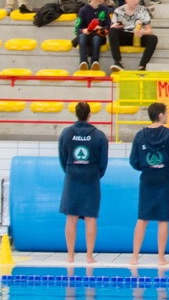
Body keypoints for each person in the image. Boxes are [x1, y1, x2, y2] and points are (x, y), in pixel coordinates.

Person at [128, 102, 169, 266]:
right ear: (160, 115)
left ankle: (134, 256)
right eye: (166, 113)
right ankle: (160, 257)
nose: (167, 115)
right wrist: (166, 166)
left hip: (147, 179)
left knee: (142, 218)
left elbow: (134, 161)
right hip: (165, 178)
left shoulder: (140, 135)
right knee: (163, 219)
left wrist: (147, 167)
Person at [58, 101, 108, 264]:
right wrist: (93, 174)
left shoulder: (66, 133)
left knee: (71, 217)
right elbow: (103, 162)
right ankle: (89, 256)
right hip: (91, 178)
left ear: (76, 114)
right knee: (90, 218)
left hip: (72, 177)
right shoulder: (99, 135)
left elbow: (62, 159)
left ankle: (70, 255)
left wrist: (72, 170)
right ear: (89, 115)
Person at [108, 0, 158, 72]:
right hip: (123, 35)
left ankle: (142, 66)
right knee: (112, 31)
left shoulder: (143, 10)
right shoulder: (118, 11)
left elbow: (149, 30)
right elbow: (112, 27)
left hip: (137, 36)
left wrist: (143, 32)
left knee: (153, 38)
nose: (136, 1)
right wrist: (115, 26)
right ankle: (118, 62)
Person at [75, 0, 111, 71]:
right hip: (86, 36)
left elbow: (108, 26)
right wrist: (85, 30)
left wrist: (100, 28)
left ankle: (95, 62)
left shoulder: (104, 9)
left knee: (96, 38)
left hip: (99, 35)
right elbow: (77, 29)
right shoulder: (83, 10)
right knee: (82, 36)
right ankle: (83, 62)